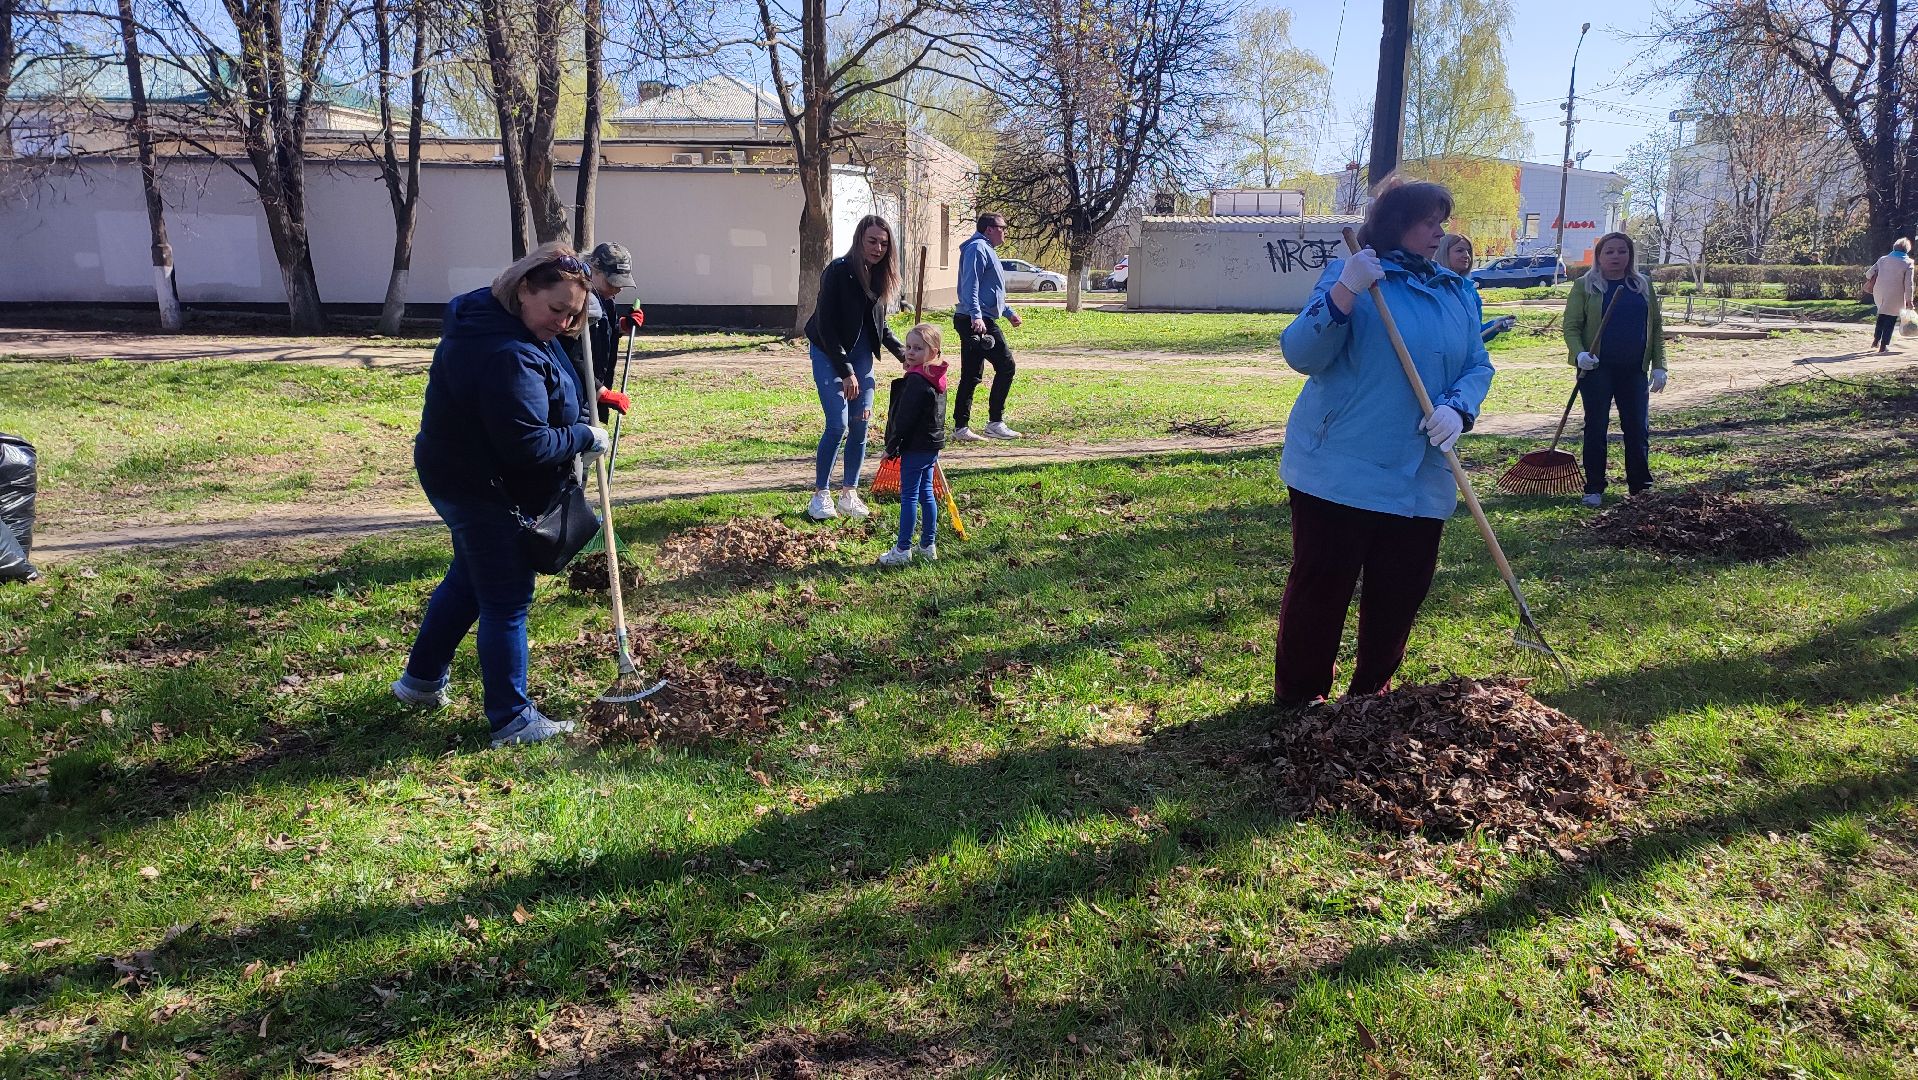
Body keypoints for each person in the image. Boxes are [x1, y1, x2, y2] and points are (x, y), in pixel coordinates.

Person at [1273, 178, 1495, 706]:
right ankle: (1301, 700)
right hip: (1340, 467)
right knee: (1321, 589)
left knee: (1399, 593)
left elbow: (1476, 364)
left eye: (1442, 221)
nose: (1440, 232)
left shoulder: (1456, 291)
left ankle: (1371, 695)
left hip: (1421, 474)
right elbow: (1302, 353)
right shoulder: (1353, 275)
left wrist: (1458, 407)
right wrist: (1344, 291)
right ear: (1397, 223)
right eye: (1430, 221)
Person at [394, 243, 608, 747]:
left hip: (462, 473)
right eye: (556, 309)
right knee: (507, 597)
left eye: (573, 315)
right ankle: (512, 719)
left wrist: (583, 403)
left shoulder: (511, 323)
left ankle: (420, 682)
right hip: (483, 485)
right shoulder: (505, 352)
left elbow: (549, 388)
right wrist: (582, 437)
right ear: (523, 289)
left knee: (470, 579)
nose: (563, 322)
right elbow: (527, 445)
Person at [803, 214, 906, 520]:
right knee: (838, 424)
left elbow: (879, 326)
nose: (878, 248)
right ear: (860, 239)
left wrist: (905, 354)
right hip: (828, 351)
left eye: (884, 243)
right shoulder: (838, 271)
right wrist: (846, 371)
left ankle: (849, 493)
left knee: (860, 424)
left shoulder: (880, 276)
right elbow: (826, 326)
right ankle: (821, 495)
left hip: (861, 357)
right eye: (872, 241)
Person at [1564, 230, 1667, 508]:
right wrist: (1580, 353)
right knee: (1596, 427)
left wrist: (1659, 366)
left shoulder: (1642, 285)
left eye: (1622, 251)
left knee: (1637, 427)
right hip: (1597, 370)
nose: (1616, 256)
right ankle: (1594, 487)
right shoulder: (1585, 285)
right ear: (1599, 256)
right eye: (1609, 251)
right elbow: (1571, 328)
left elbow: (1655, 328)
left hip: (1633, 369)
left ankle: (1640, 486)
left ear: (1630, 255)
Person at [877, 323, 949, 566]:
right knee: (926, 493)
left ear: (934, 350)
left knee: (909, 496)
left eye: (918, 348)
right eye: (908, 347)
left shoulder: (917, 382)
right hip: (931, 445)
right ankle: (928, 544)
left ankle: (902, 549)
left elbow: (904, 419)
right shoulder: (936, 376)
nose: (910, 352)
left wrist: (892, 446)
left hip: (916, 446)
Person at [951, 212, 1024, 441]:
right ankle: (995, 422)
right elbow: (969, 285)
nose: (1005, 231)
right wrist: (976, 316)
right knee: (1006, 365)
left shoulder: (987, 249)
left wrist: (1008, 312)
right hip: (976, 320)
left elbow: (990, 291)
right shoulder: (977, 248)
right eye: (1002, 227)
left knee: (972, 374)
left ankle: (961, 428)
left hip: (978, 317)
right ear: (989, 228)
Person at [562, 241, 640, 421]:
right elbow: (570, 355)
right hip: (575, 396)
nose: (618, 288)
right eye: (612, 282)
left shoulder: (605, 299)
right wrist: (600, 391)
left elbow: (598, 335)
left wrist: (621, 326)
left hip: (591, 393)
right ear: (593, 271)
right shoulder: (579, 303)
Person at [1437, 233, 1517, 343]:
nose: (1466, 255)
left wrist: (1494, 326)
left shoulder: (1470, 290)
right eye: (1460, 250)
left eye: (1468, 251)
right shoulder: (1433, 287)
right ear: (1443, 253)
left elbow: (1476, 335)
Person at [1865, 237, 1914, 354]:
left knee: (1882, 315)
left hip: (1880, 291)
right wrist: (1909, 300)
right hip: (1896, 294)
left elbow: (1868, 274)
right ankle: (1884, 345)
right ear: (1906, 250)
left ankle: (1876, 340)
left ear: (1894, 247)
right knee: (1890, 319)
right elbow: (1909, 284)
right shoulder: (1908, 263)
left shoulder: (1882, 259)